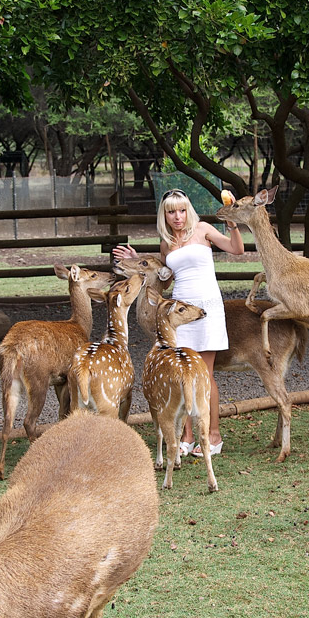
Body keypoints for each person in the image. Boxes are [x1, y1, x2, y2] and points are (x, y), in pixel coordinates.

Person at [113, 188, 245, 457]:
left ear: (189, 211)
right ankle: (186, 436)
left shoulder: (204, 230)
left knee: (204, 374)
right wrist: (136, 261)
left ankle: (212, 435)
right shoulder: (166, 243)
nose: (178, 216)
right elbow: (165, 278)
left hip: (206, 308)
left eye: (182, 210)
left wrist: (232, 225)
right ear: (165, 215)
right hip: (179, 314)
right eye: (172, 211)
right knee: (181, 373)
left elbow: (237, 249)